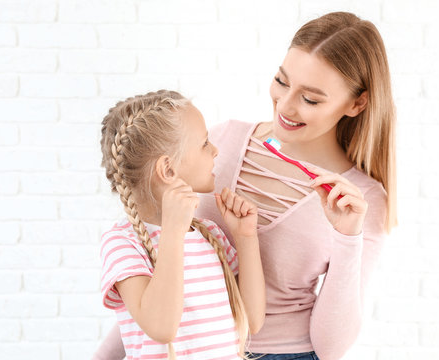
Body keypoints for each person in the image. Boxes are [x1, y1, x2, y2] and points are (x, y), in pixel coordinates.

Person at [95, 11, 396, 360]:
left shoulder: (361, 200)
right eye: (281, 81)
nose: (284, 105)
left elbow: (331, 347)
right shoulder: (221, 141)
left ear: (357, 103)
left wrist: (347, 237)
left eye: (310, 99)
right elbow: (160, 273)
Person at [99, 90, 266, 360]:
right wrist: (173, 234)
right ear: (168, 170)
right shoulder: (123, 243)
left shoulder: (210, 234)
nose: (215, 150)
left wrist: (246, 237)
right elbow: (161, 328)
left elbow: (252, 321)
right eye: (204, 143)